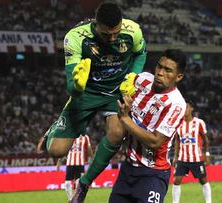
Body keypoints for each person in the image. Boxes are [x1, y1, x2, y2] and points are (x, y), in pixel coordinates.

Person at [37, 2, 146, 202]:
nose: (112, 39)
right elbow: (71, 85)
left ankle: (84, 184)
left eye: (116, 33)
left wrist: (134, 76)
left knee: (117, 134)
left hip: (116, 90)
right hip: (87, 93)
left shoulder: (133, 31)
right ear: (96, 25)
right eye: (107, 35)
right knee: (56, 151)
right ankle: (54, 127)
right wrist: (77, 86)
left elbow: (140, 53)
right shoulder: (75, 37)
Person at [109, 49, 187, 203]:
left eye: (168, 70)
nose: (160, 73)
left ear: (178, 77)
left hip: (153, 173)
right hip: (127, 169)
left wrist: (125, 118)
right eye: (159, 67)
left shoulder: (176, 104)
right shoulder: (143, 80)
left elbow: (155, 141)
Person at [172, 100, 212, 203]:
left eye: (187, 107)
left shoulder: (199, 122)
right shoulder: (178, 123)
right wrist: (175, 157)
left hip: (196, 158)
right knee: (176, 181)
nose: (185, 110)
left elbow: (205, 139)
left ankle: (209, 202)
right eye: (183, 108)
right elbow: (177, 140)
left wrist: (207, 154)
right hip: (182, 158)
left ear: (191, 109)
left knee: (203, 180)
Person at [56, 134, 93, 202]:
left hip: (80, 163)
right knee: (67, 183)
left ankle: (77, 199)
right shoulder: (68, 135)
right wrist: (59, 161)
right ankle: (70, 200)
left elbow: (88, 148)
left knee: (79, 183)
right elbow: (63, 149)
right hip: (70, 163)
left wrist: (93, 159)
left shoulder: (85, 137)